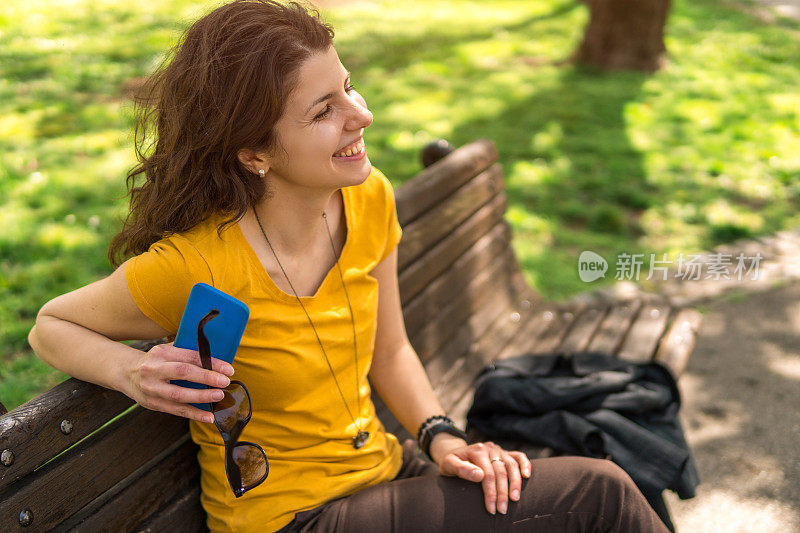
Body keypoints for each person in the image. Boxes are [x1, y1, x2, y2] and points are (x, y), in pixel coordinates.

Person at [27, 1, 670, 531]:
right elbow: (49, 326)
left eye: (348, 88)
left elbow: (390, 350)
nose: (361, 115)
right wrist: (132, 371)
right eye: (323, 111)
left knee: (566, 489)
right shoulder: (196, 263)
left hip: (382, 473)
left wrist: (443, 439)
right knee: (601, 495)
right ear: (253, 153)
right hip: (291, 518)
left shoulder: (367, 199)